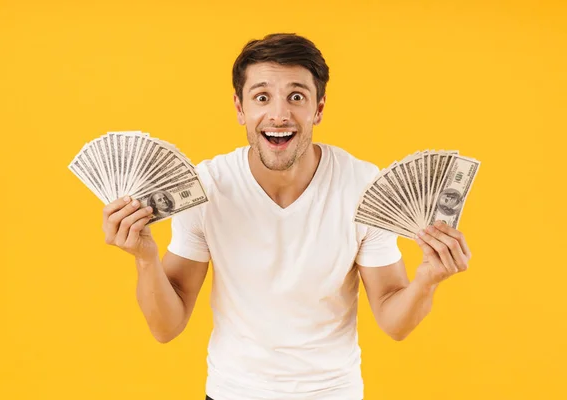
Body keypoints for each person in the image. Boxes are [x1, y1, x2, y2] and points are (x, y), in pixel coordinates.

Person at [101, 33, 472, 400]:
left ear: (319, 109)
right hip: (233, 392)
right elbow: (166, 326)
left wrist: (427, 279)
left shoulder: (361, 185)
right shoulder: (207, 187)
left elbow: (395, 323)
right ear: (240, 109)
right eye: (262, 97)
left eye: (296, 97)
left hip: (332, 393)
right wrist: (146, 258)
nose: (279, 114)